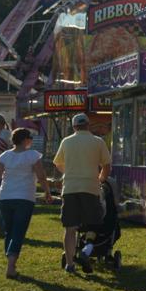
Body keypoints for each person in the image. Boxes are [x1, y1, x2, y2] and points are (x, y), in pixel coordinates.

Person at [0, 127, 52, 278]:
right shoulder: (33, 155)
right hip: (24, 197)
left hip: (4, 197)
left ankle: (11, 262)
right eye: (30, 138)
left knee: (9, 231)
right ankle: (10, 266)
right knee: (19, 231)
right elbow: (41, 176)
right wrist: (47, 192)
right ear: (25, 140)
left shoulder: (4, 156)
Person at [53, 112, 111, 275]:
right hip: (90, 187)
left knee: (69, 228)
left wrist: (68, 172)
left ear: (74, 127)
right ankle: (87, 249)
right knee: (93, 223)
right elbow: (107, 165)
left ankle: (70, 264)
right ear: (88, 125)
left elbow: (57, 163)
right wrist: (100, 179)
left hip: (70, 188)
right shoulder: (97, 142)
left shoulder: (66, 142)